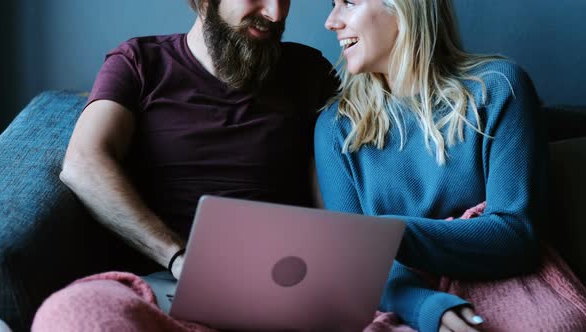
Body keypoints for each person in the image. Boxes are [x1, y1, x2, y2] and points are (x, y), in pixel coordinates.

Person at [58, 0, 337, 282]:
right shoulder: (139, 63)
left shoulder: (309, 73)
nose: (275, 14)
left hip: (276, 281)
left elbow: (333, 200)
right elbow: (82, 163)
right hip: (162, 280)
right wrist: (179, 258)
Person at [315, 0, 549, 331]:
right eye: (331, 4)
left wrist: (390, 234)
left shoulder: (499, 87)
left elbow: (516, 235)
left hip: (501, 280)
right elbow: (354, 261)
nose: (330, 21)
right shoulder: (336, 126)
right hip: (395, 296)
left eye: (349, 2)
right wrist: (426, 306)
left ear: (404, 8)